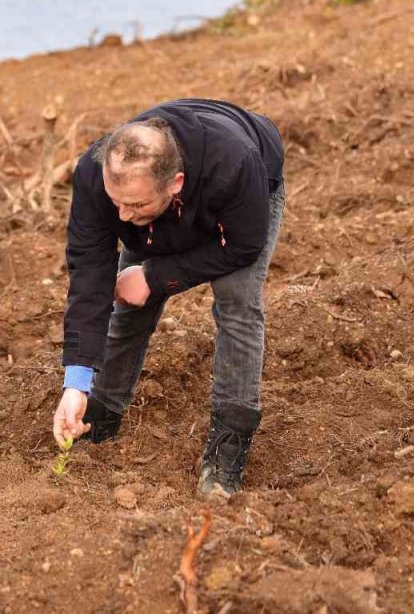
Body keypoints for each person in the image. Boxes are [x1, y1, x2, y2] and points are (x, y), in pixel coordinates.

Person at [52, 98, 285, 497]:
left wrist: (155, 276)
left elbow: (243, 247)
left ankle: (229, 443)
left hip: (235, 201)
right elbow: (89, 275)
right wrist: (76, 381)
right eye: (116, 203)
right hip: (166, 206)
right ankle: (101, 415)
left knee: (237, 302)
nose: (123, 217)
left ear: (174, 182)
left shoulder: (234, 164)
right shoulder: (98, 174)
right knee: (127, 306)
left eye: (136, 204)